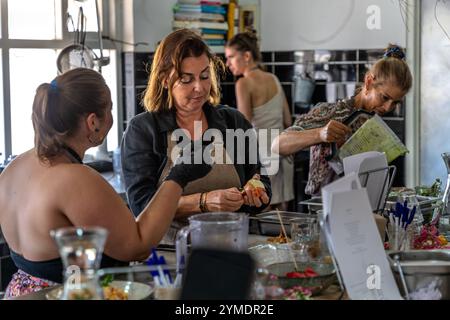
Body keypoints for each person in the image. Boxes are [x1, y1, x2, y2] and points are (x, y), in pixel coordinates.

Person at [0, 68, 211, 299]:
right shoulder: (73, 178)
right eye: (109, 108)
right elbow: (138, 245)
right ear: (93, 122)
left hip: (20, 293)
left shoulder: (14, 168)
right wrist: (179, 175)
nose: (111, 114)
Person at [121, 29, 271, 244]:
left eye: (204, 76)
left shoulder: (233, 122)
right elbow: (142, 206)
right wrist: (204, 202)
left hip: (233, 246)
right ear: (165, 79)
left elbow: (261, 180)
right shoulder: (143, 129)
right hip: (172, 255)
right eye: (186, 79)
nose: (199, 87)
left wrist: (255, 192)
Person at [273, 45, 413, 196]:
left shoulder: (375, 125)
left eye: (395, 103)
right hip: (325, 209)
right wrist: (319, 134)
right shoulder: (331, 113)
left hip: (363, 207)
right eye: (385, 97)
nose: (387, 107)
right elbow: (277, 145)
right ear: (368, 82)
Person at [225, 32, 294, 211]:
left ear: (247, 56)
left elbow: (244, 127)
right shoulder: (274, 79)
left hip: (263, 157)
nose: (228, 64)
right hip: (284, 154)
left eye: (231, 57)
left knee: (264, 215)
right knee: (282, 217)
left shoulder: (243, 83)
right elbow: (287, 120)